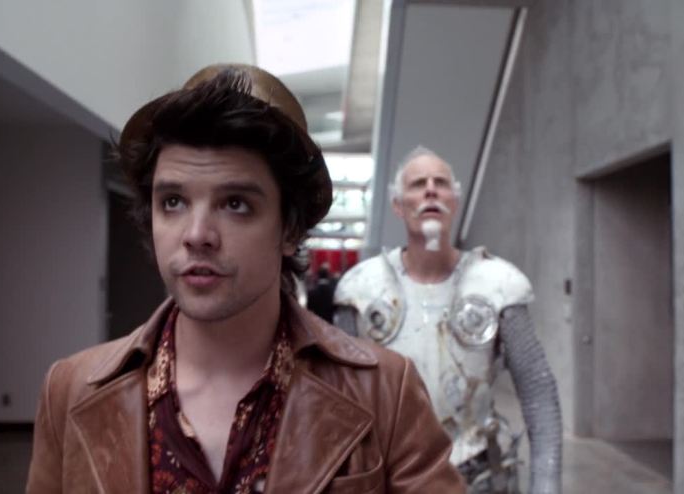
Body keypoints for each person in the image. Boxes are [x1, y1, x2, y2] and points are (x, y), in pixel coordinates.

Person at [26, 66, 464, 493]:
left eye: (235, 204)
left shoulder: (384, 391)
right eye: (173, 202)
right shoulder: (72, 390)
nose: (197, 235)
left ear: (289, 229)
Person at [334, 147, 562, 493]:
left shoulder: (498, 283)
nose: (430, 190)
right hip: (390, 474)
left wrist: (546, 484)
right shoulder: (361, 288)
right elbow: (338, 398)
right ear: (398, 205)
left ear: (454, 201)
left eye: (440, 183)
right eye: (417, 184)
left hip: (479, 474)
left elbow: (538, 392)